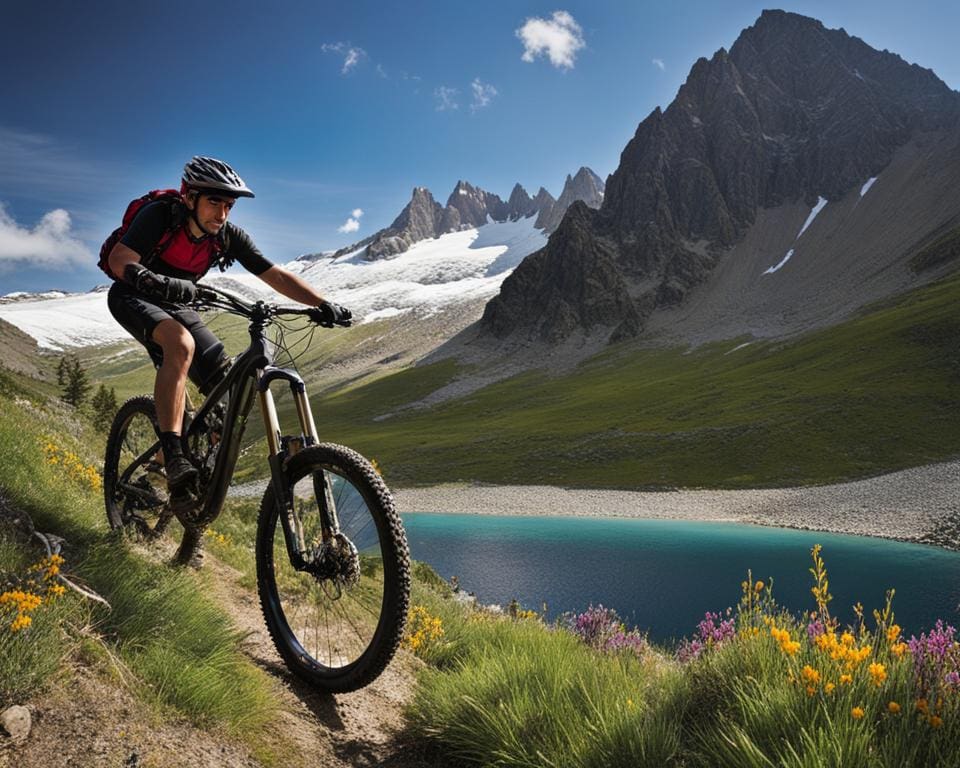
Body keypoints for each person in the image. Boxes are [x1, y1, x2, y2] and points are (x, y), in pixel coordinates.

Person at [107, 156, 351, 494]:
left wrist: (322, 304)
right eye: (213, 202)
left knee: (225, 393)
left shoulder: (226, 236)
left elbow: (275, 274)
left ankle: (158, 476)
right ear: (190, 197)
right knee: (180, 346)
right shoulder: (161, 216)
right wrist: (146, 277)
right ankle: (176, 454)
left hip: (179, 303)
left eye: (228, 206)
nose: (221, 214)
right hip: (133, 297)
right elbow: (119, 258)